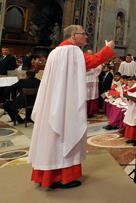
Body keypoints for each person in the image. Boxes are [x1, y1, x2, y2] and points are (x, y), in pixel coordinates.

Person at [28, 25, 115, 189]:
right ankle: (62, 176)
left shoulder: (55, 52)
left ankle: (47, 174)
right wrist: (108, 48)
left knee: (51, 137)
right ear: (74, 35)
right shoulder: (72, 51)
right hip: (65, 101)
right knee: (65, 134)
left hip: (52, 100)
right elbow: (93, 61)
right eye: (84, 34)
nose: (87, 37)